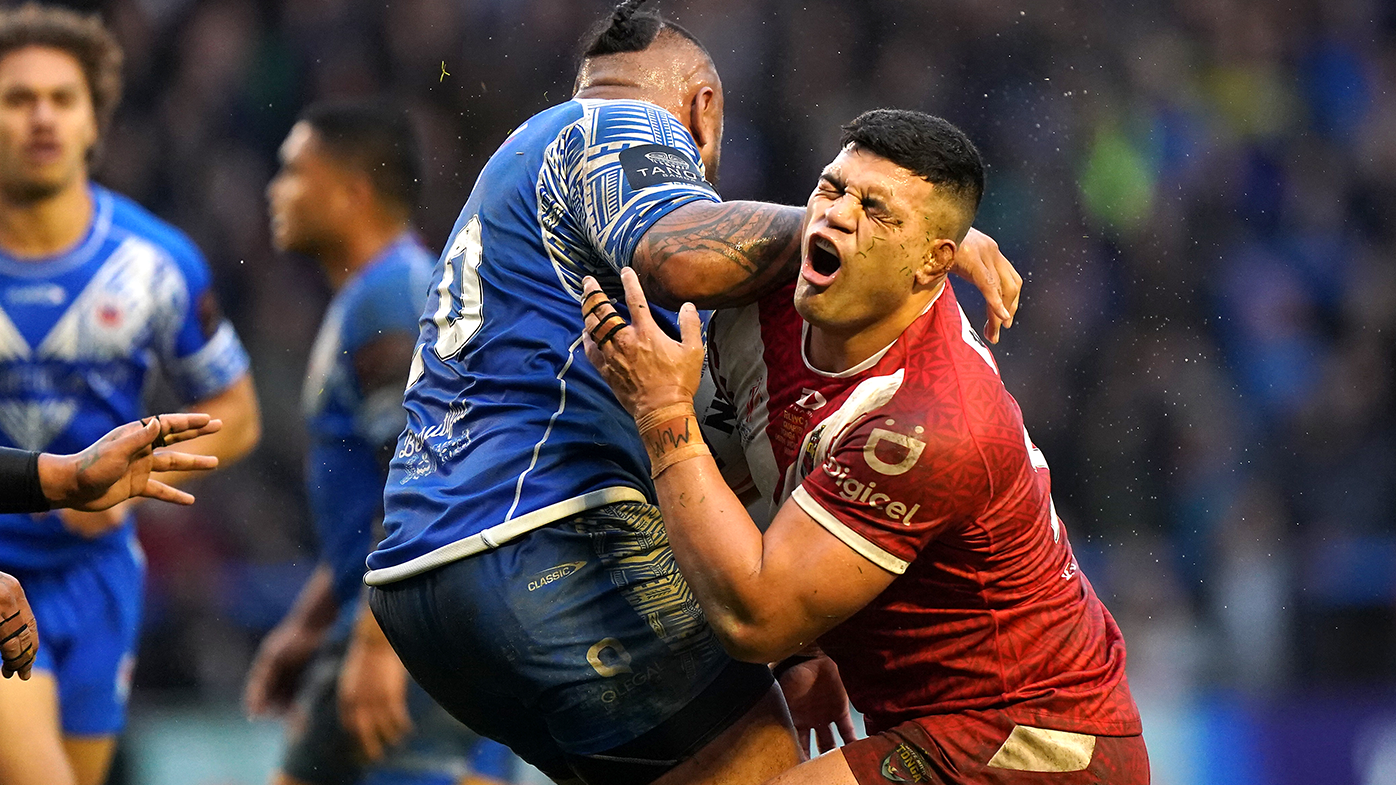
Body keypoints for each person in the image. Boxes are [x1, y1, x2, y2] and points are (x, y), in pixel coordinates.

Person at [364, 2, 1020, 784]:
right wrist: (891, 237)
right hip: (543, 540)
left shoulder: (519, 175)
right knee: (772, 770)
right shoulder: (618, 124)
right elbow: (682, 255)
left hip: (423, 578)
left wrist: (798, 651)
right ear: (703, 106)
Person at [581, 109, 1148, 785]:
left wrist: (664, 409)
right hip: (934, 718)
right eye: (832, 188)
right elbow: (665, 258)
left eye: (876, 209)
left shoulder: (930, 422)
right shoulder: (785, 288)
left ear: (932, 263)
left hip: (1037, 733)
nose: (838, 215)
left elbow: (754, 618)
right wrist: (804, 648)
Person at [0, 6, 263, 785]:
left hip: (100, 572)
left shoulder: (157, 262)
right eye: (17, 99)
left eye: (62, 98)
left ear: (94, 122)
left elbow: (238, 410)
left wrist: (127, 490)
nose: (41, 117)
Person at [245, 101, 516, 785]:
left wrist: (375, 638)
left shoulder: (391, 297)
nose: (275, 190)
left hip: (411, 629)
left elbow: (424, 470)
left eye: (292, 172)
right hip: (400, 617)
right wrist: (308, 622)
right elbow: (376, 487)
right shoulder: (386, 289)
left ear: (351, 193)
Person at [1, 412, 222, 682]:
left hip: (96, 561)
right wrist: (63, 480)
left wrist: (70, 479)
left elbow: (237, 413)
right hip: (11, 557)